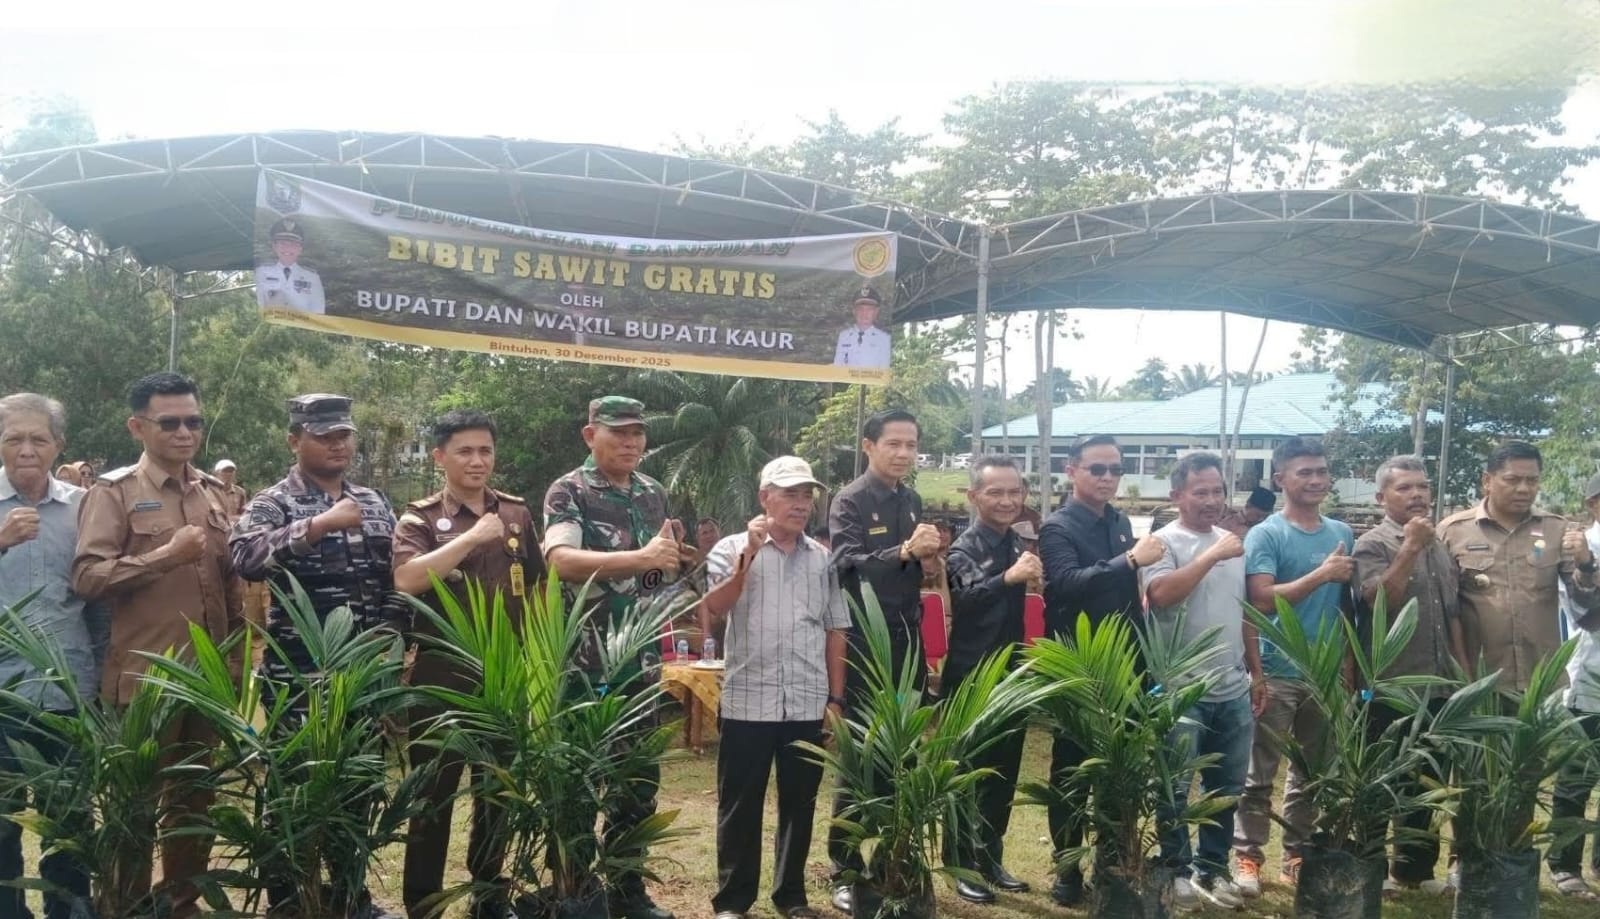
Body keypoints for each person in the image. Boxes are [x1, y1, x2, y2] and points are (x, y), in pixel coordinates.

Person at [72, 372, 243, 918]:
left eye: (193, 421)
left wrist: (234, 663)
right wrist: (165, 556)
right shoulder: (114, 493)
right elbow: (88, 577)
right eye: (169, 423)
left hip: (206, 682)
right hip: (145, 684)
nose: (184, 432)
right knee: (136, 807)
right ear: (137, 427)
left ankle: (180, 904)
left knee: (194, 804)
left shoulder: (214, 492)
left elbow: (229, 585)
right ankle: (126, 908)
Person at [229, 393, 407, 917]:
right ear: (295, 440)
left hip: (364, 675)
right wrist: (320, 524)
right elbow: (245, 557)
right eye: (324, 436)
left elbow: (396, 573)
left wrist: (391, 630)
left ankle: (351, 897)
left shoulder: (374, 500)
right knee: (294, 790)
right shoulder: (274, 502)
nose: (337, 444)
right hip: (300, 677)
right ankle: (290, 901)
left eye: (344, 435)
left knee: (359, 786)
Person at [542, 396, 692, 919]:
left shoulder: (653, 493)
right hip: (586, 665)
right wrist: (641, 557)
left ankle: (628, 890)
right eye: (618, 432)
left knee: (637, 783)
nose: (630, 442)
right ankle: (579, 893)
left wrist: (666, 565)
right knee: (581, 781)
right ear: (590, 435)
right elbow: (560, 561)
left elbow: (651, 575)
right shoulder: (569, 490)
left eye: (637, 433)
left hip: (640, 663)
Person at [393, 410, 542, 919]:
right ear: (440, 457)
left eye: (485, 451)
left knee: (497, 792)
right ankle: (424, 903)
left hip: (505, 675)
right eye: (464, 451)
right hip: (441, 678)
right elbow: (408, 579)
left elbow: (537, 585)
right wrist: (473, 538)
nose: (477, 461)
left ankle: (489, 895)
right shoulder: (418, 518)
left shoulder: (516, 514)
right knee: (432, 797)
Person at [701, 456, 848, 919]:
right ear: (765, 497)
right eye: (790, 494)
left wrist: (835, 699)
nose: (801, 504)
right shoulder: (729, 548)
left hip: (806, 699)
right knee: (740, 804)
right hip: (749, 700)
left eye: (807, 495)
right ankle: (733, 901)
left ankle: (791, 896)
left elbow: (835, 629)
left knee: (800, 803)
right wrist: (748, 555)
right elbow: (717, 607)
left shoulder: (822, 558)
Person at [1037, 434, 1165, 905]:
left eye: (1116, 469)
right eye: (1097, 469)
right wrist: (1129, 559)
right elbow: (1066, 584)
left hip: (1125, 665)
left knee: (1117, 765)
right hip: (1079, 666)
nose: (1108, 477)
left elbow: (1129, 599)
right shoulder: (1057, 527)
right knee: (1072, 769)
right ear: (1071, 471)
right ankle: (1067, 867)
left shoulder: (1119, 521)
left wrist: (1145, 662)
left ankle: (1112, 861)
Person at [825, 409, 938, 914]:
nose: (904, 453)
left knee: (902, 751)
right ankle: (845, 868)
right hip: (865, 644)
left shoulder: (911, 500)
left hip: (907, 642)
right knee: (860, 753)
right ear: (869, 446)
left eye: (911, 445)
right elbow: (847, 565)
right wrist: (905, 551)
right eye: (894, 443)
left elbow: (915, 570)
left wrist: (927, 557)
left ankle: (891, 860)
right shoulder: (849, 500)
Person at [1232, 436, 1355, 897]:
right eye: (1305, 472)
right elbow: (1261, 600)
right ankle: (1247, 856)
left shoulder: (1341, 532)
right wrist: (1256, 672)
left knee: (1311, 772)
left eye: (1322, 471)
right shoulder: (1266, 534)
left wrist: (1346, 666)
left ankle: (1297, 854)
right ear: (1280, 478)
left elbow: (1343, 607)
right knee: (1258, 773)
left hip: (1325, 675)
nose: (1316, 480)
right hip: (1277, 670)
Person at [1142, 452, 1263, 910]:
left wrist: (1256, 671)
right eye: (1201, 492)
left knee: (1226, 789)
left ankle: (1213, 869)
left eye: (1218, 491)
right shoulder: (1161, 542)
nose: (1212, 500)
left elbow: (1244, 612)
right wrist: (1212, 555)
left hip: (1232, 686)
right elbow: (1161, 595)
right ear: (1177, 495)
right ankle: (1176, 870)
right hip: (1180, 690)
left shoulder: (1233, 543)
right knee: (1174, 787)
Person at [1350, 455, 1466, 896]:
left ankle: (1415, 870)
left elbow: (1451, 614)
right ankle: (1373, 870)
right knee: (1381, 780)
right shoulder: (1372, 544)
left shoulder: (1440, 545)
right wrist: (1410, 547)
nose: (1417, 494)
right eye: (1404, 488)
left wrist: (1461, 676)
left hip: (1437, 685)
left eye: (1422, 486)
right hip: (1389, 685)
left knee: (1426, 780)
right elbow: (1380, 601)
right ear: (1382, 498)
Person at [0, 393, 93, 919]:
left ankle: (70, 913)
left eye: (38, 438)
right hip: (2, 695)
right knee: (0, 826)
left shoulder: (84, 507)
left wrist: (99, 683)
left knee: (70, 826)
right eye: (14, 438)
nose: (26, 449)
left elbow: (98, 604)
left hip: (68, 693)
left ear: (59, 445)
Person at [941, 456, 1039, 903]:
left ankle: (990, 855)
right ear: (974, 496)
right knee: (967, 772)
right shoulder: (964, 548)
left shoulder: (1016, 542)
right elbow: (966, 599)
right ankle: (960, 861)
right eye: (995, 492)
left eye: (1014, 492)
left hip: (1010, 672)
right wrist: (1009, 578)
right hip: (970, 676)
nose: (1006, 500)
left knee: (1003, 770)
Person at [1439, 440, 1599, 693]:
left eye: (1532, 481)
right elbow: (1444, 611)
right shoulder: (1452, 532)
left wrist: (1586, 564)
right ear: (1487, 481)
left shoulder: (1557, 529)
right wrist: (1461, 678)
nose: (1524, 488)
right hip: (1481, 682)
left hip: (1542, 681)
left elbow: (1584, 603)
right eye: (1512, 480)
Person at [1550, 471, 1600, 899]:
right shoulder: (1580, 548)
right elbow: (1587, 615)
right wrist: (1587, 564)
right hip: (1590, 682)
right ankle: (1564, 865)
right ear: (1595, 503)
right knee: (1576, 780)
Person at [254, 217, 327, 313]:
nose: (287, 248)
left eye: (293, 244)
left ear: (300, 249)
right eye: (282, 243)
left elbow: (318, 311)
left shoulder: (312, 277)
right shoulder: (261, 272)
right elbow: (258, 306)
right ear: (274, 246)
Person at [831, 286, 892, 369]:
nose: (864, 313)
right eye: (860, 309)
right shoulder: (844, 336)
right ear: (854, 311)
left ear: (876, 312)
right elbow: (837, 367)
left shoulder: (884, 339)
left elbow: (884, 370)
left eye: (869, 309)